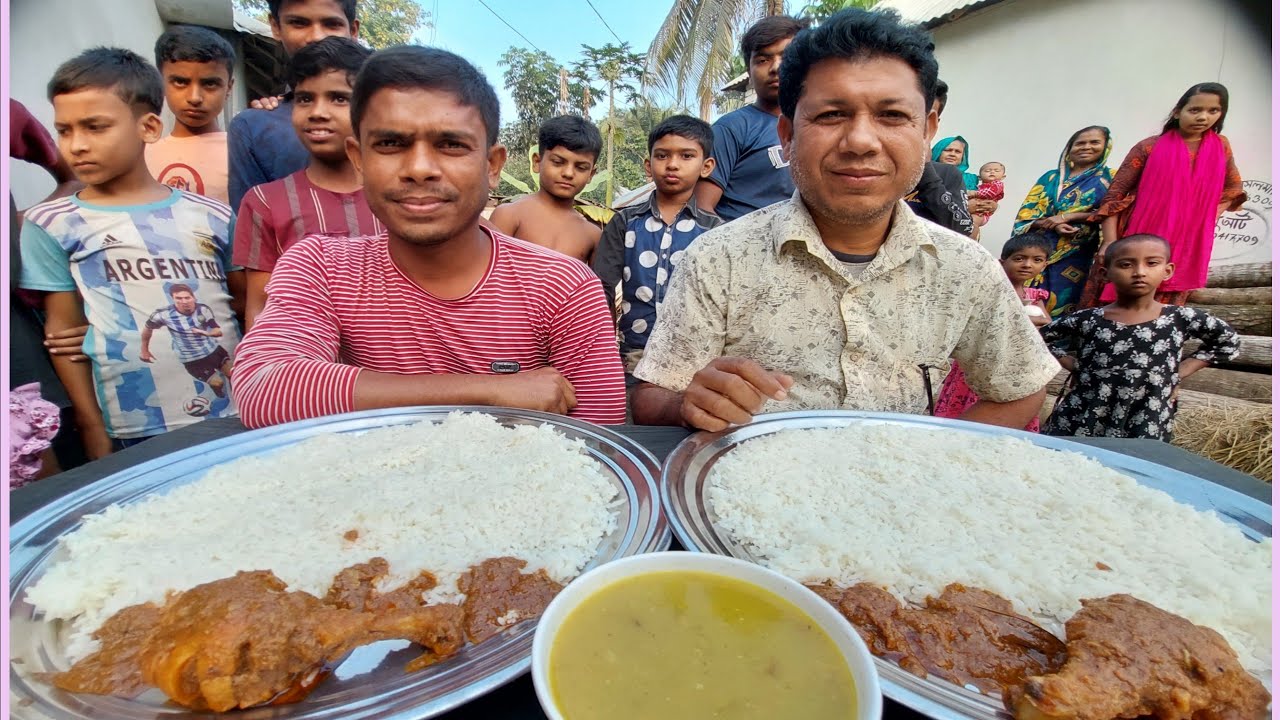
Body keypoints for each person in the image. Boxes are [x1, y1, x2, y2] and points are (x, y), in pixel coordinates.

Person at [630, 8, 1060, 433]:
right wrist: (690, 403)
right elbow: (652, 397)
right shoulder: (716, 257)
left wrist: (934, 461)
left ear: (927, 129)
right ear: (788, 134)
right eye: (831, 115)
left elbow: (1019, 387)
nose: (860, 141)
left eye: (891, 115)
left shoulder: (966, 267)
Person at [232, 46, 626, 428]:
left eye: (450, 145)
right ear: (358, 158)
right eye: (390, 144)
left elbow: (600, 438)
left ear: (492, 166)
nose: (419, 169)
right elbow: (263, 387)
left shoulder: (565, 287)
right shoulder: (320, 266)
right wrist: (487, 392)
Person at [19, 48, 242, 455]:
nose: (77, 145)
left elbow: (242, 308)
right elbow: (63, 337)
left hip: (233, 412)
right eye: (64, 130)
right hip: (131, 424)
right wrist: (91, 426)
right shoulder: (52, 223)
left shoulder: (214, 215)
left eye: (95, 127)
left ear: (149, 127)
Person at [232, 36, 380, 330]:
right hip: (308, 368)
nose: (317, 112)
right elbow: (261, 309)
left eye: (339, 98)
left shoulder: (398, 196)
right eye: (305, 99)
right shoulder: (264, 202)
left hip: (398, 366)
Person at [1043, 234, 1239, 441]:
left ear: (1168, 270)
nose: (1139, 272)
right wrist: (1074, 365)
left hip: (1146, 414)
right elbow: (1041, 339)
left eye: (1152, 263)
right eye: (1126, 265)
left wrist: (1178, 372)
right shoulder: (1088, 319)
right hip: (1087, 410)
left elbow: (1227, 341)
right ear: (1104, 273)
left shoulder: (1181, 318)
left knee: (1132, 465)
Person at [1082, 83, 1246, 307]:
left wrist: (1209, 215)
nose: (1203, 117)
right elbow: (1114, 197)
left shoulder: (1221, 147)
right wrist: (1109, 242)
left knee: (1165, 313)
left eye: (1213, 111)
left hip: (1187, 244)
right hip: (1137, 238)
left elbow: (1233, 189)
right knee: (1116, 304)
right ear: (1178, 112)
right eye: (1195, 110)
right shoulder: (1149, 147)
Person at [592, 115, 721, 376]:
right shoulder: (626, 222)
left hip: (694, 359)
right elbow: (602, 287)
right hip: (632, 356)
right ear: (648, 166)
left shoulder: (715, 231)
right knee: (630, 414)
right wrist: (602, 348)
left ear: (706, 166)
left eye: (686, 156)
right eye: (662, 156)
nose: (672, 165)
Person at [227, 0, 359, 214]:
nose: (316, 36)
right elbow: (249, 224)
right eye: (299, 23)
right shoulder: (254, 127)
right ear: (276, 26)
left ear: (353, 30)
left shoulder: (383, 117)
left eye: (331, 24)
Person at [694, 15, 808, 222]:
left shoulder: (823, 126)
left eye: (787, 56)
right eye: (763, 60)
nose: (775, 68)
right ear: (749, 71)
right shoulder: (730, 129)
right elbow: (702, 210)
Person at [934, 235, 1051, 432]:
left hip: (1017, 359)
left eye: (1036, 260)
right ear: (1002, 262)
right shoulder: (992, 290)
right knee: (967, 404)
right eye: (1019, 258)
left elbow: (1047, 324)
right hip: (982, 357)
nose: (1027, 265)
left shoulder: (1036, 296)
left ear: (1045, 265)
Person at [1011, 125, 1113, 318]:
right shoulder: (1050, 178)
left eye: (1094, 142)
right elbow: (1026, 214)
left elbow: (1111, 212)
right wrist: (1053, 223)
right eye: (1080, 143)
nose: (1086, 147)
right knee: (1027, 301)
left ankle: (1060, 343)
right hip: (1039, 250)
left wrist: (1070, 216)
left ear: (1106, 147)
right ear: (1069, 149)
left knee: (1069, 297)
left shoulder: (1111, 178)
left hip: (1080, 254)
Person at [488, 115, 603, 263]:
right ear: (537, 162)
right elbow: (488, 276)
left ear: (591, 174)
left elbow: (593, 285)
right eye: (557, 162)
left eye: (580, 168)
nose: (568, 173)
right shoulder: (510, 215)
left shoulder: (591, 235)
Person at [146, 25, 236, 204]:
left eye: (210, 84)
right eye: (180, 82)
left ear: (229, 88)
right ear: (160, 83)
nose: (195, 98)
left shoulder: (241, 152)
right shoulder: (141, 155)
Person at [141, 283, 235, 402]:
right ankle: (217, 389)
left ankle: (242, 401)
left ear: (193, 297)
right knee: (218, 383)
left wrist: (206, 333)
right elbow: (148, 328)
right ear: (173, 299)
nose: (184, 301)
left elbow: (217, 330)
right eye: (179, 298)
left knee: (234, 376)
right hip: (192, 359)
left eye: (187, 297)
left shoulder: (203, 309)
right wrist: (144, 350)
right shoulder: (163, 314)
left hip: (213, 350)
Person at [903, 79, 973, 236]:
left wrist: (926, 172)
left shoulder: (946, 174)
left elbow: (962, 228)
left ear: (933, 123)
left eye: (924, 117)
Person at [969, 161, 1004, 227]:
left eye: (996, 171)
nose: (992, 172)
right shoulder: (978, 187)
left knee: (973, 223)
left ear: (1003, 177)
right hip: (974, 211)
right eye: (987, 171)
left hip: (983, 214)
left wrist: (974, 193)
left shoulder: (997, 184)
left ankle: (971, 237)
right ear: (979, 177)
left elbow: (990, 193)